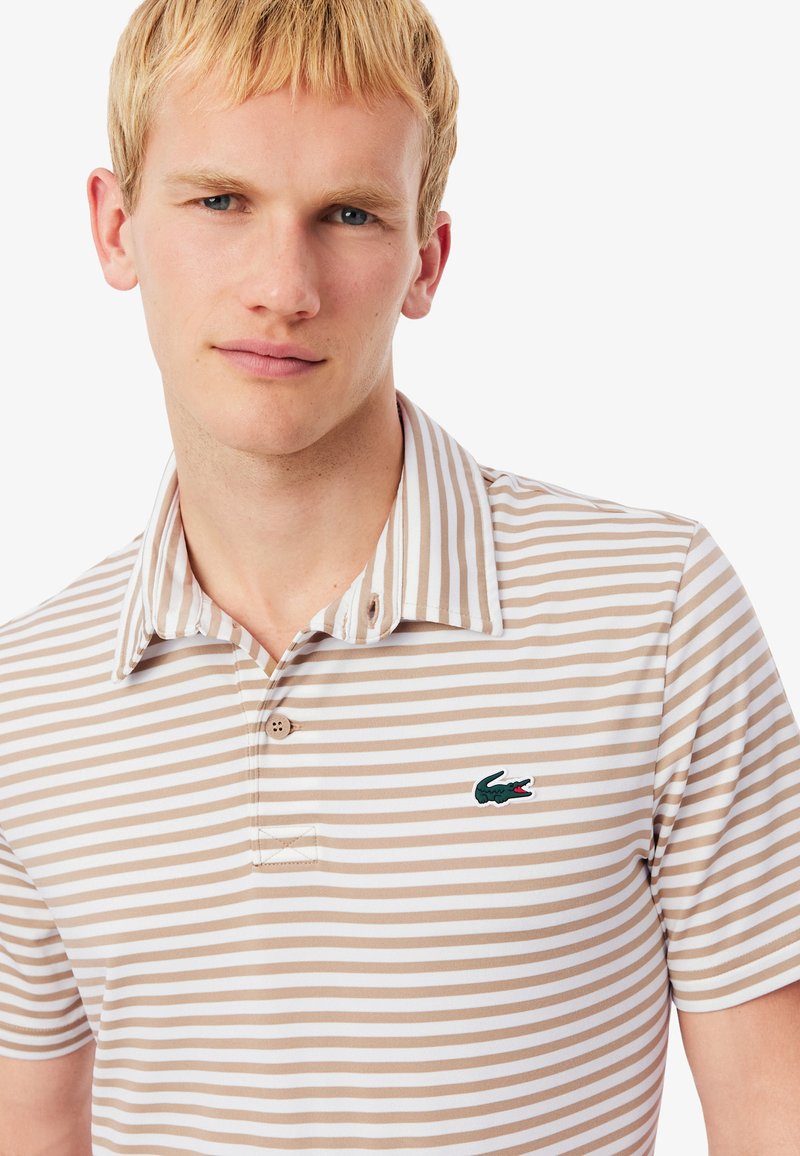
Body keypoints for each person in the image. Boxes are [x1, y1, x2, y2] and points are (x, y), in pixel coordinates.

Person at [1, 0, 798, 1153]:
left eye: (348, 214)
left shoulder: (655, 616)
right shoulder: (26, 701)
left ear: (424, 258)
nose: (283, 285)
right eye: (220, 201)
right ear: (115, 228)